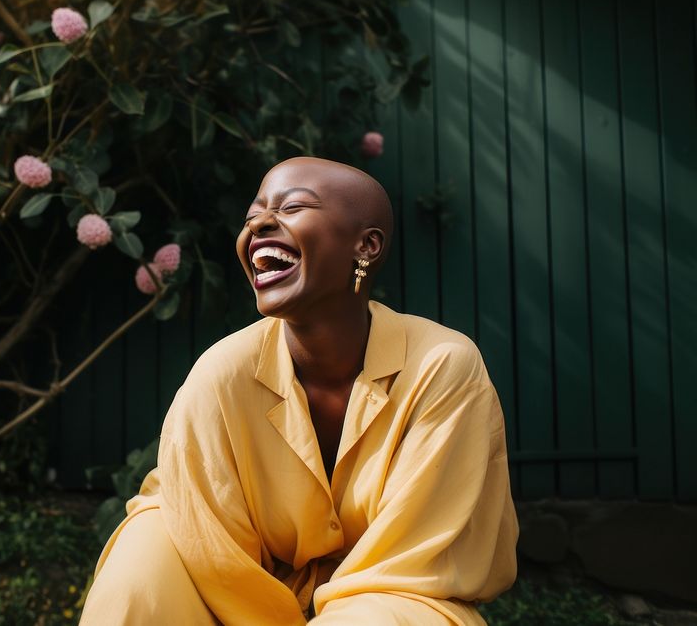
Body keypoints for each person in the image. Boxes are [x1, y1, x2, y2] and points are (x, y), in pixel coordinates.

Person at [79, 157, 518, 625]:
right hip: (235, 589)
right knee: (144, 554)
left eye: (293, 207)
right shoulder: (221, 372)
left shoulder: (442, 366)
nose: (261, 223)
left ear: (366, 246)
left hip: (396, 597)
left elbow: (413, 561)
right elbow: (208, 541)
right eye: (252, 216)